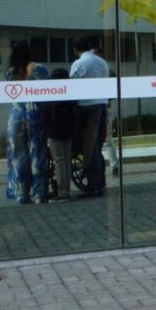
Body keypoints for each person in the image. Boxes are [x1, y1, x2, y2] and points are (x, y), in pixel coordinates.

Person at [4, 40, 49, 204]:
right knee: (37, 153)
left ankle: (21, 193)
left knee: (18, 156)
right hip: (34, 113)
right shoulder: (39, 69)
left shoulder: (10, 73)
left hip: (15, 116)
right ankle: (39, 193)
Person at [69, 37, 109, 197]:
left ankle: (94, 184)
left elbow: (72, 85)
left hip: (86, 106)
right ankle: (99, 180)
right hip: (102, 104)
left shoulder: (78, 64)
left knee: (88, 145)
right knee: (97, 144)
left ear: (75, 49)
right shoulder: (102, 63)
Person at [42, 68, 78, 202]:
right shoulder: (70, 94)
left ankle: (62, 192)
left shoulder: (53, 95)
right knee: (66, 160)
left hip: (55, 131)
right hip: (68, 131)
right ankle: (66, 190)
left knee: (59, 160)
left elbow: (46, 112)